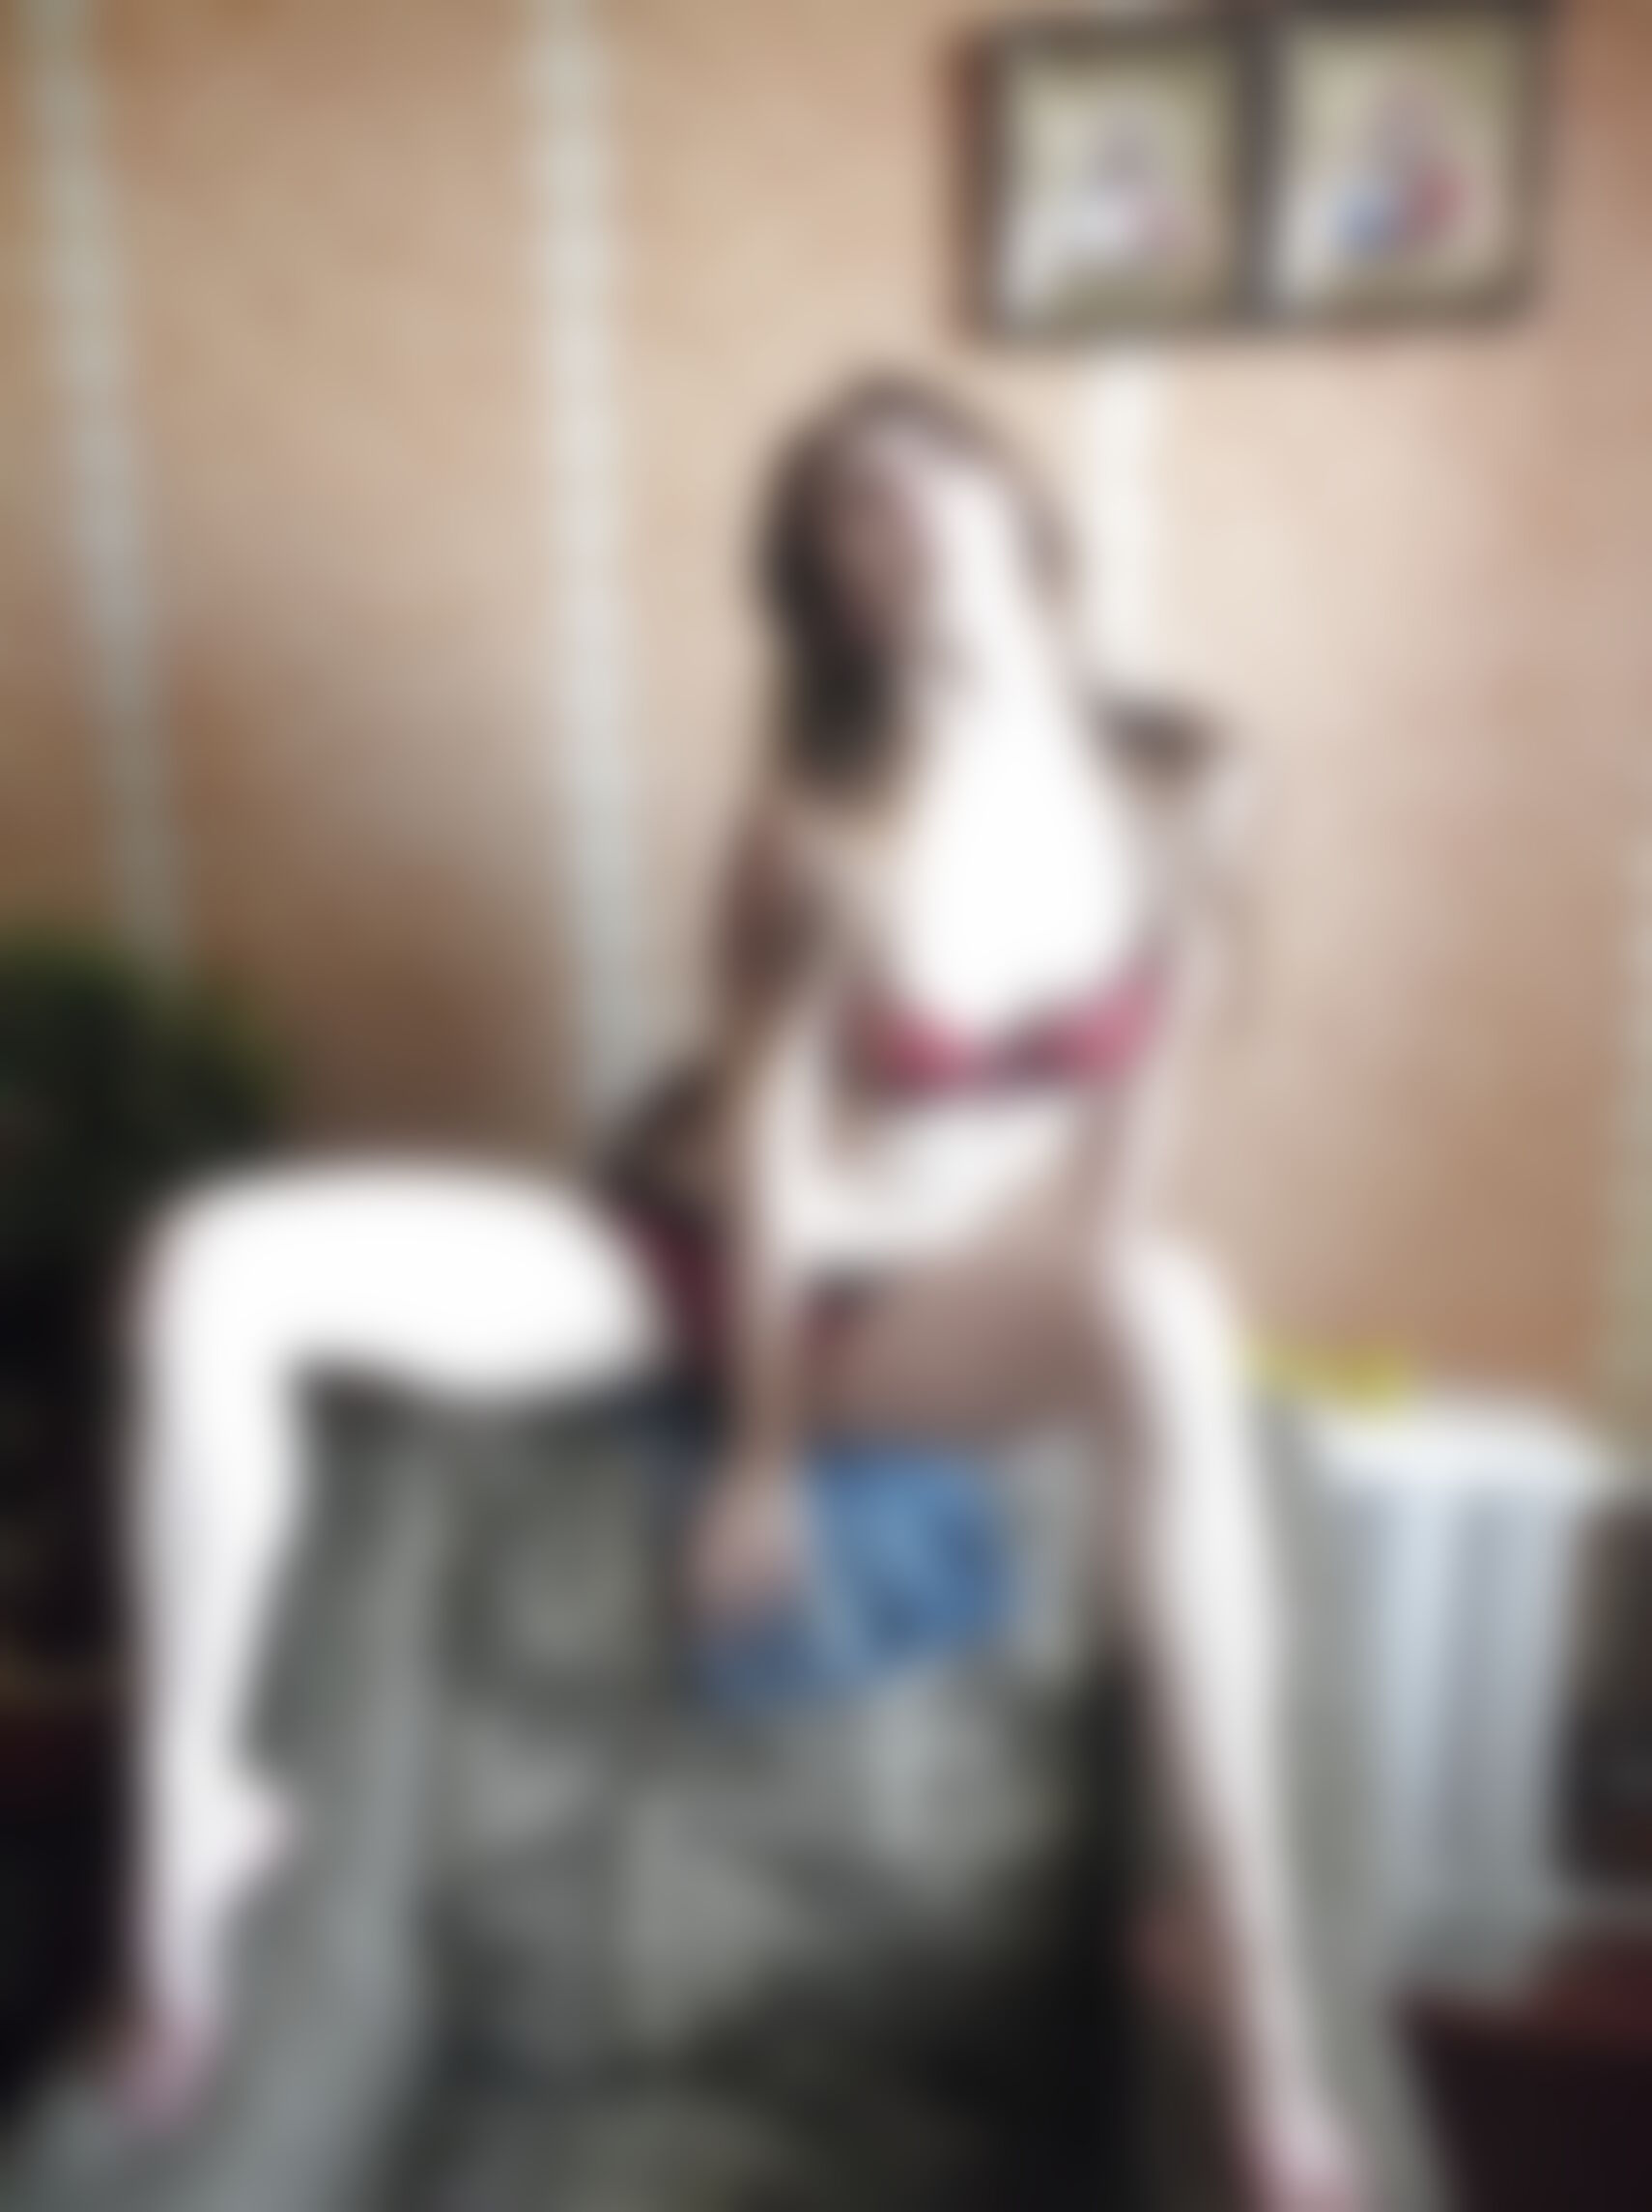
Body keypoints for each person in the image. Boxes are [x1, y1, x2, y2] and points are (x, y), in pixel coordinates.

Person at [116, 377, 1362, 2212]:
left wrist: (1098, 1334)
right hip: (673, 1255)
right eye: (849, 505)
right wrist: (762, 1453)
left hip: (902, 1301)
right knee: (207, 1266)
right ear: (828, 596)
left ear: (1017, 502)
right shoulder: (812, 818)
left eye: (930, 464)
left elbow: (1139, 1120)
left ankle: (1234, 1948)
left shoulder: (1187, 778)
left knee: (1172, 1305)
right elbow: (767, 1148)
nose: (901, 507)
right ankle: (190, 1815)